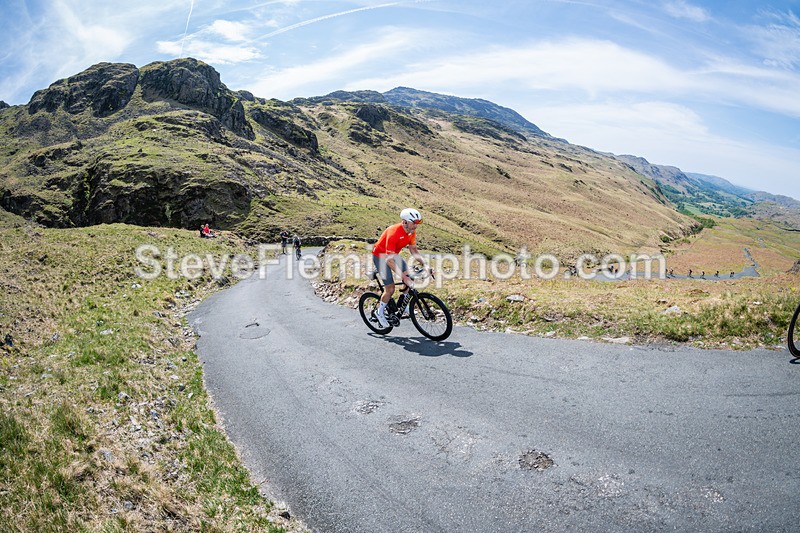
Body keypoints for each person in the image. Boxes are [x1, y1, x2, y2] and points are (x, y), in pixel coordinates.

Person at [371, 208, 432, 328]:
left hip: (393, 255)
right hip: (380, 257)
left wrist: (425, 264)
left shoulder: (411, 231)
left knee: (410, 277)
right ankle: (379, 313)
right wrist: (403, 276)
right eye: (414, 222)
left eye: (418, 223)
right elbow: (389, 261)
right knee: (390, 289)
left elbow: (413, 250)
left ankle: (403, 303)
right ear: (404, 222)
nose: (416, 226)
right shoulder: (394, 233)